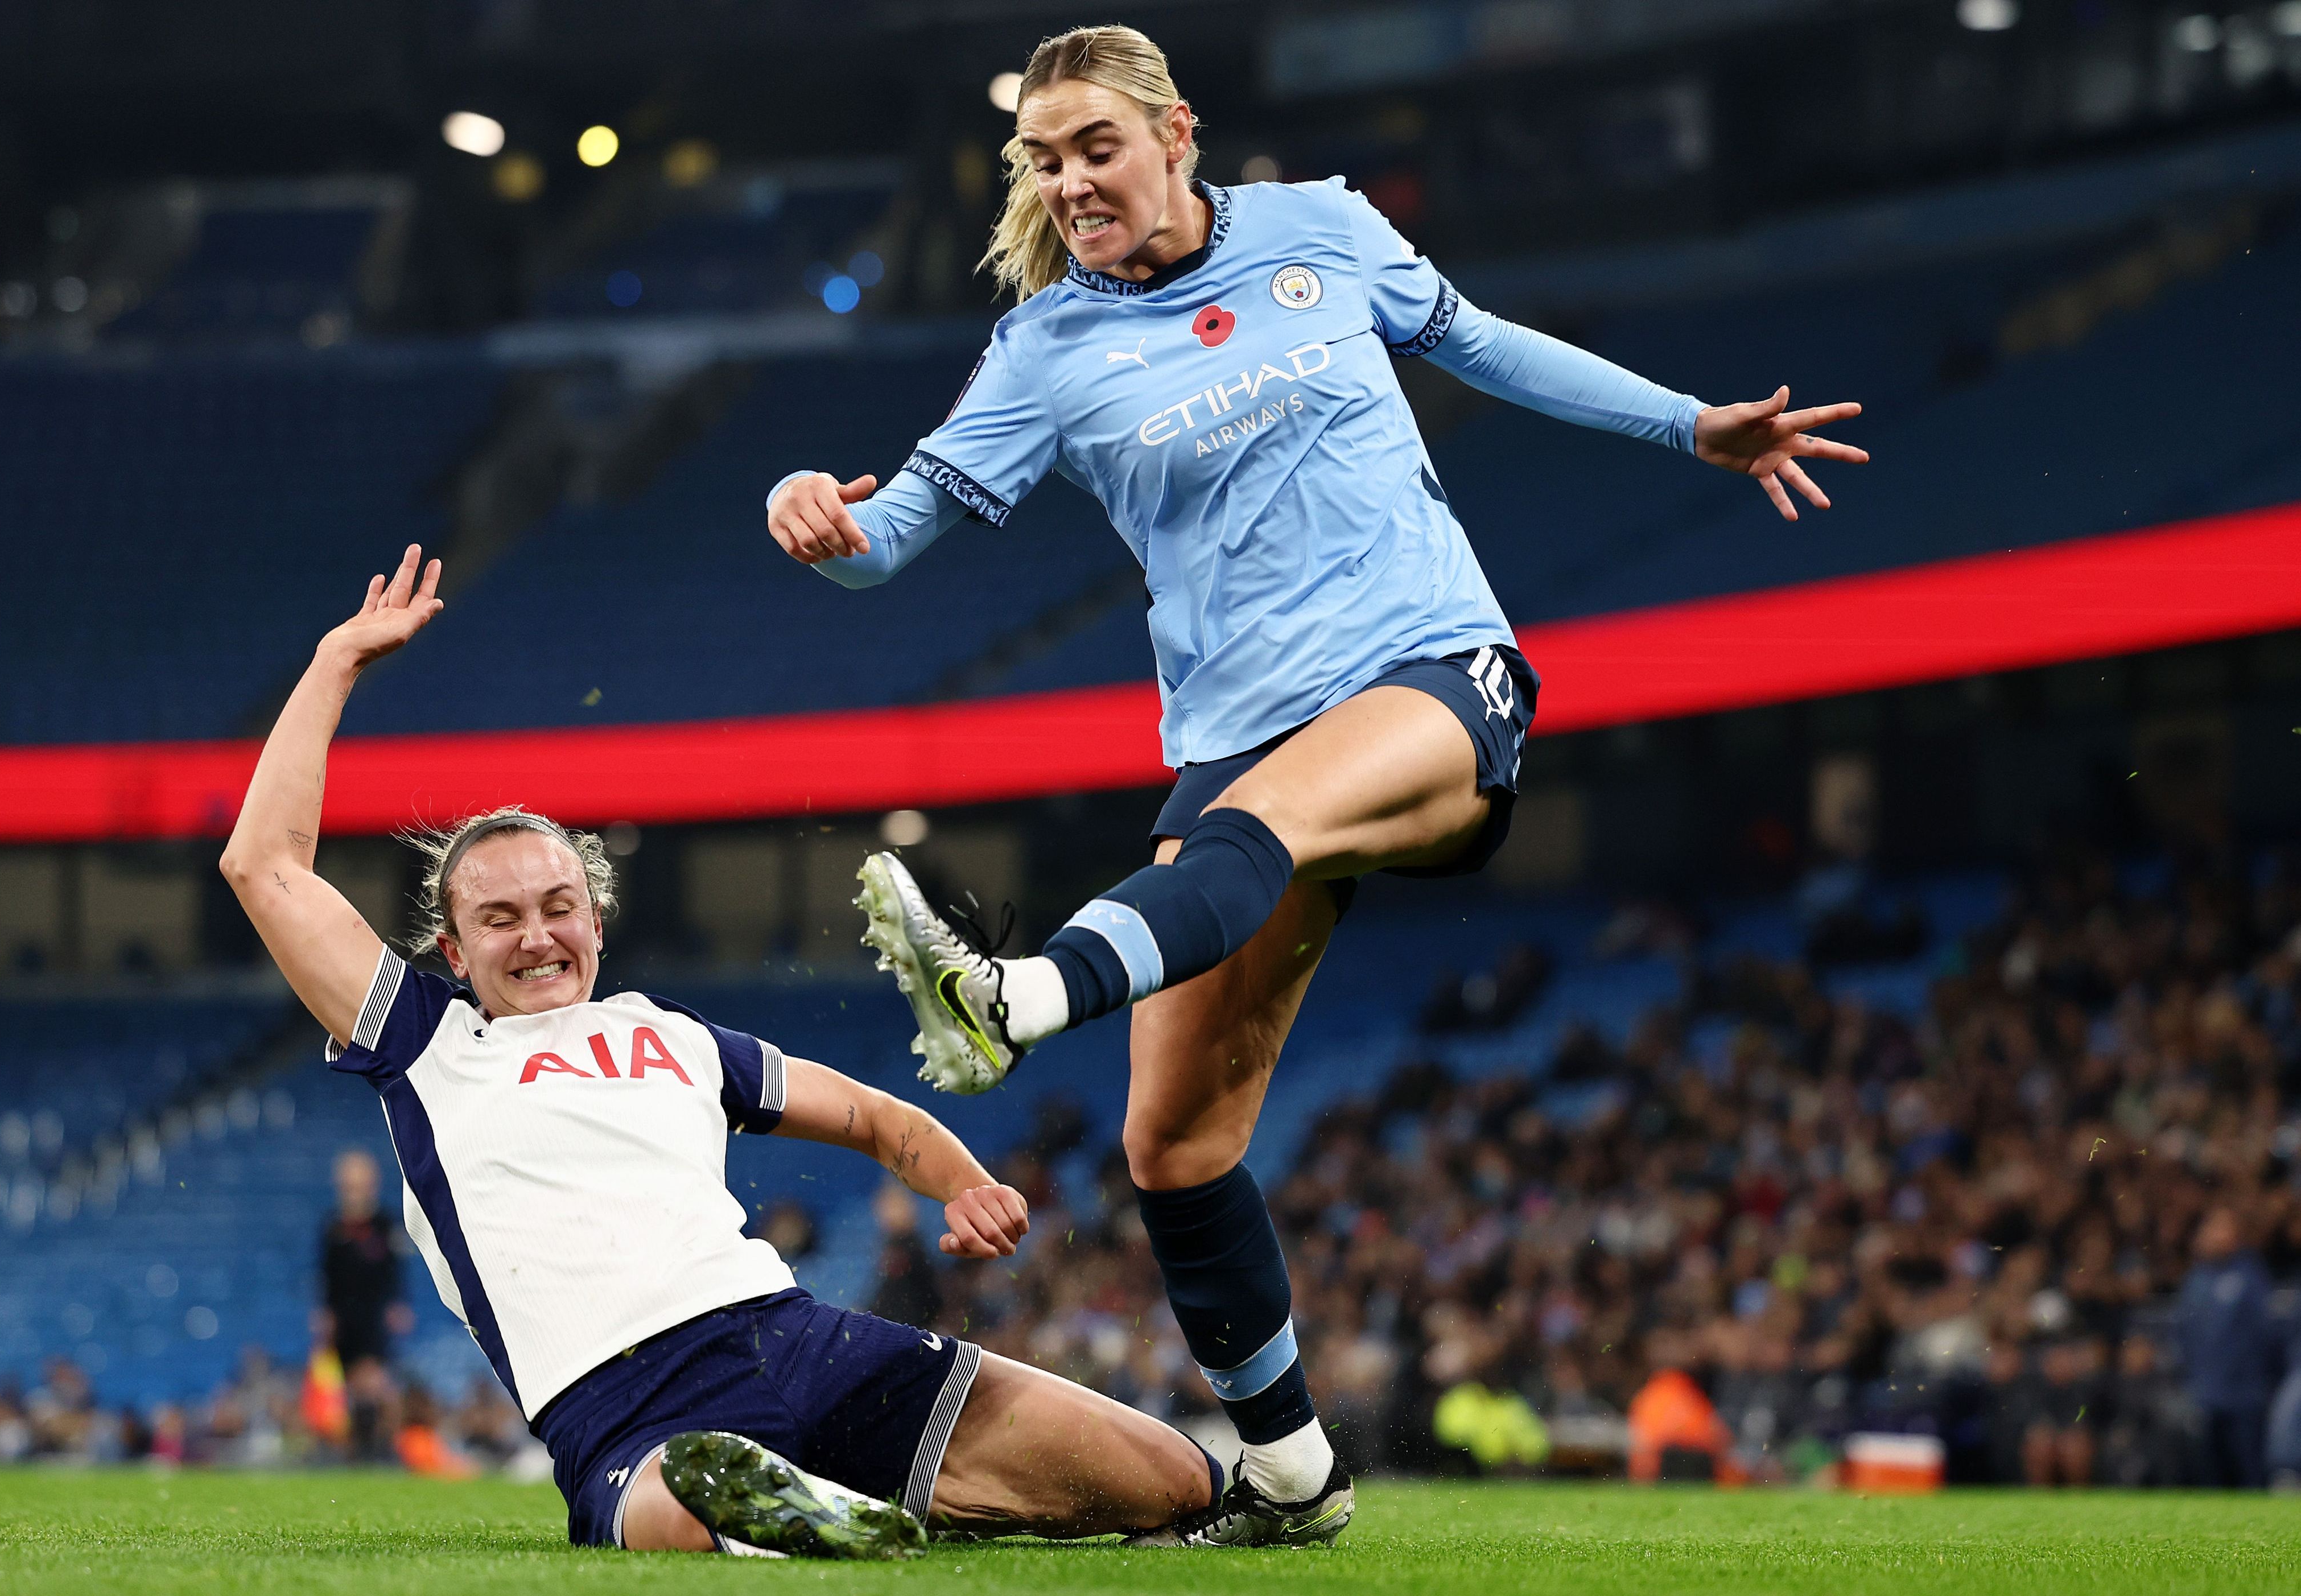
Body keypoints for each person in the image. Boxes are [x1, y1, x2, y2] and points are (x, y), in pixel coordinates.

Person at [765, 24, 1865, 1541]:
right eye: (1044, 157)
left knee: (1251, 833)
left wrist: (1691, 426)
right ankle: (1292, 1474)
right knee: (1174, 1145)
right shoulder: (1041, 351)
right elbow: (898, 532)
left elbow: (1479, 343)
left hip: (1426, 670)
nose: (1070, 179)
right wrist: (815, 513)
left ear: (1175, 134)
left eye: (1095, 145)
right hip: (1233, 734)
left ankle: (1015, 999)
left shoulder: (1322, 228)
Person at [215, 545, 1219, 1558]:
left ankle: (829, 1511)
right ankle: (781, 1509)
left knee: (1177, 1483)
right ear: (453, 948)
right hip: (624, 1396)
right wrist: (337, 661)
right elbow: (262, 866)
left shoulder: (677, 1037)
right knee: (675, 1503)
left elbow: (872, 1117)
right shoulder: (425, 1039)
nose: (535, 937)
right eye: (501, 918)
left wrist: (960, 1185)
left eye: (560, 908)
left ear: (597, 925)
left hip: (796, 1335)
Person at [2173, 1205, 2280, 1488]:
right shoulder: (2196, 1279)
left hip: (2245, 1394)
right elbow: (2183, 1332)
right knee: (2209, 1474)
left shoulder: (2251, 1275)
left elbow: (2265, 1334)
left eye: (2222, 1228)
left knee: (2249, 1471)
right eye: (2211, 1228)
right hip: (2204, 1393)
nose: (2214, 1235)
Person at [317, 1148, 411, 1379]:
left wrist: (397, 1304)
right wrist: (326, 1315)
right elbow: (328, 1276)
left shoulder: (386, 1226)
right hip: (344, 1320)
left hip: (376, 1317)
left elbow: (395, 1270)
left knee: (375, 1377)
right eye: (349, 1187)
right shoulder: (333, 1228)